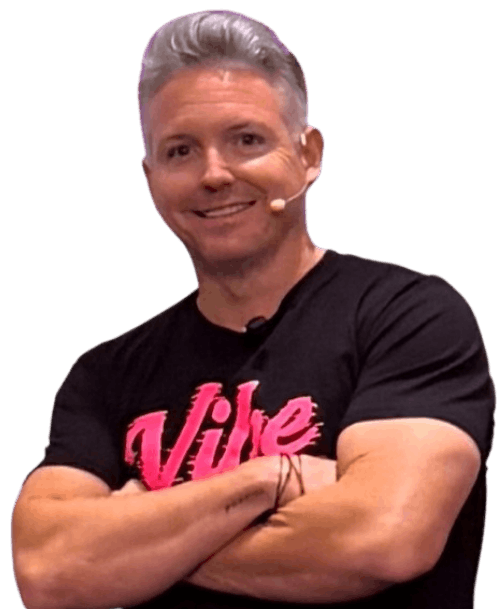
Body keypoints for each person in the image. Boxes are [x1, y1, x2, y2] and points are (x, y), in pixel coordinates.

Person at [12, 9, 495, 610]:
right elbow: (47, 569)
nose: (214, 174)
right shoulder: (104, 374)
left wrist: (131, 544)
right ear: (151, 178)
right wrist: (268, 479)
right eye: (181, 151)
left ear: (308, 154)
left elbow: (382, 539)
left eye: (247, 140)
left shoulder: (407, 317)